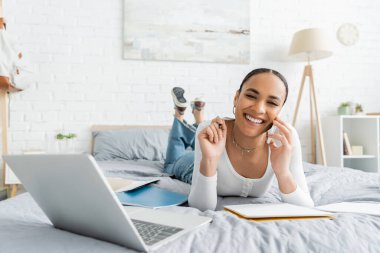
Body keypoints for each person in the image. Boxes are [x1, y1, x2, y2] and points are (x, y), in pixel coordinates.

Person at [165, 68, 314, 211]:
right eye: (251, 96)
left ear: (280, 109)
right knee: (171, 165)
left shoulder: (285, 139)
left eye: (272, 103)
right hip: (190, 166)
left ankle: (195, 115)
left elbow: (307, 207)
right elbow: (201, 208)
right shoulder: (210, 129)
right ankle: (180, 115)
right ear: (236, 98)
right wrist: (209, 160)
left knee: (200, 131)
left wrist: (283, 172)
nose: (258, 109)